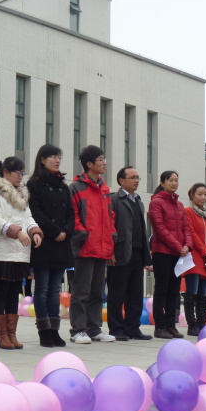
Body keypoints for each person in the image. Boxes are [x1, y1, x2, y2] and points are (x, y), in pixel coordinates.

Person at [0, 157, 42, 349]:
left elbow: (28, 217)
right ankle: (1, 334)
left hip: (21, 252)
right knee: (0, 292)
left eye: (22, 173)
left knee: (14, 293)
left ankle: (11, 333)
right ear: (6, 172)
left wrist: (34, 231)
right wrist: (16, 231)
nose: (20, 176)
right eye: (17, 172)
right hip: (2, 251)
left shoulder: (22, 195)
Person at [68, 145, 117, 344]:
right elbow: (73, 215)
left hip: (102, 247)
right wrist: (83, 234)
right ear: (89, 164)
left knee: (97, 292)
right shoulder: (76, 187)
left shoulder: (104, 188)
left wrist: (112, 235)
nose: (105, 163)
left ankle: (94, 329)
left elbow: (110, 216)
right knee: (81, 291)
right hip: (85, 247)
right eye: (101, 159)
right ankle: (78, 330)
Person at [27, 144, 74, 348]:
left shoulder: (63, 186)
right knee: (42, 288)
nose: (57, 160)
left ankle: (54, 330)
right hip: (44, 241)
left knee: (55, 289)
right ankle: (44, 331)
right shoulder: (34, 184)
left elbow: (71, 213)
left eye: (59, 157)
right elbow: (35, 212)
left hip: (61, 243)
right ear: (42, 159)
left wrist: (66, 231)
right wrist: (55, 231)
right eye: (53, 157)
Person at [107, 167, 153, 341]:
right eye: (132, 177)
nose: (136, 180)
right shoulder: (114, 199)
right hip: (120, 252)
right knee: (117, 294)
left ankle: (133, 328)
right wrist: (110, 251)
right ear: (121, 181)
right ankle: (116, 329)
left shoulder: (139, 201)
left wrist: (146, 256)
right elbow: (109, 227)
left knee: (135, 294)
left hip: (137, 252)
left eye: (138, 177)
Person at [149, 170, 192, 339]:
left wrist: (187, 245)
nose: (174, 183)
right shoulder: (156, 202)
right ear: (162, 183)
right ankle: (160, 327)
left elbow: (186, 227)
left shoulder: (179, 205)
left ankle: (171, 325)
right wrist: (178, 246)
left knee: (174, 290)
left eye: (176, 180)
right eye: (170, 180)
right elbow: (159, 228)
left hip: (178, 253)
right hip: (162, 252)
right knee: (162, 289)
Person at [183, 183, 206, 336]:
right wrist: (205, 251)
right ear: (192, 195)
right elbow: (191, 233)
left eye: (205, 194)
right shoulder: (188, 212)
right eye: (199, 194)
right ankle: (192, 325)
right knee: (192, 291)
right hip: (195, 257)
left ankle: (201, 323)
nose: (203, 197)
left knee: (204, 293)